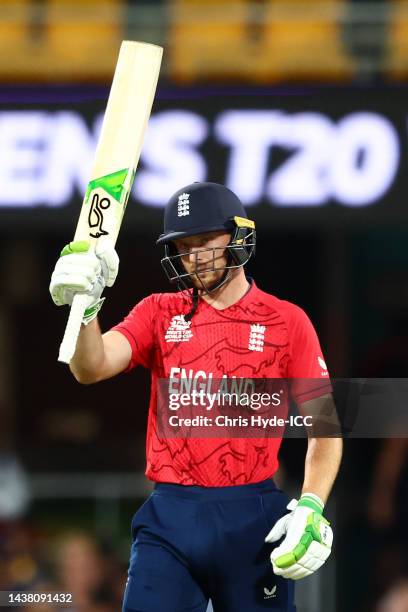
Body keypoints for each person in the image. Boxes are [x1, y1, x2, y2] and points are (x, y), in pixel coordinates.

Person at [50, 182, 343, 612]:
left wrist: (313, 506)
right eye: (184, 246)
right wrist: (85, 309)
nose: (193, 257)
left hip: (254, 516)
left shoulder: (287, 321)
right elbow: (90, 367)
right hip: (171, 516)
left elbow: (326, 427)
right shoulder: (158, 311)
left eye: (205, 241)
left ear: (238, 236)